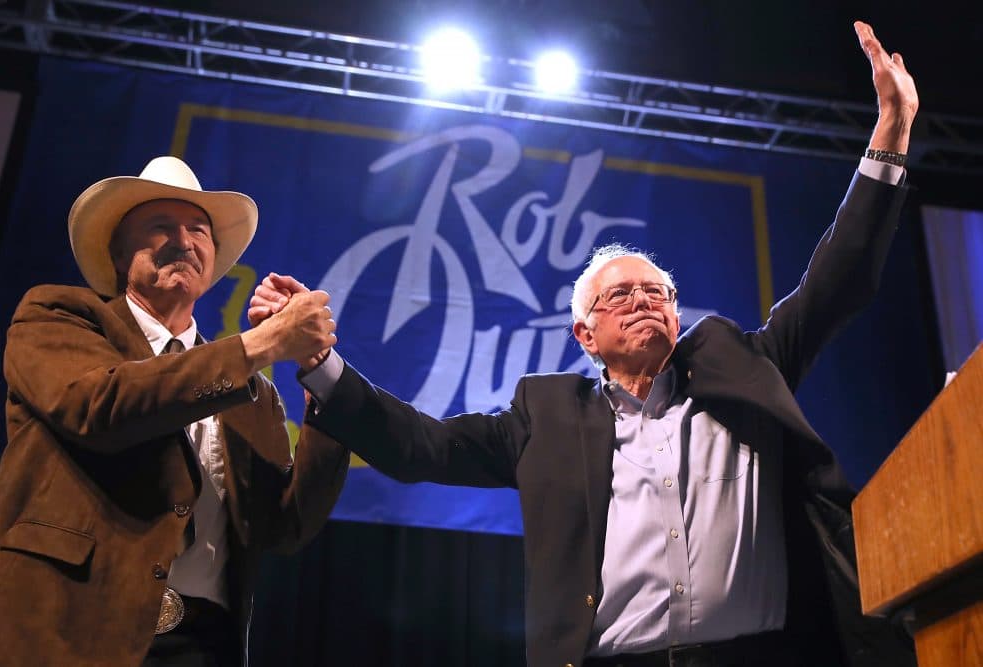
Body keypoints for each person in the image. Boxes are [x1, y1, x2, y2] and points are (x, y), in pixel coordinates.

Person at [251, 21, 917, 667]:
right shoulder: (544, 417)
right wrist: (318, 363)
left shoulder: (747, 367)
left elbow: (839, 280)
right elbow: (418, 444)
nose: (642, 301)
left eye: (656, 292)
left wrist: (888, 136)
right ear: (585, 334)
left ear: (678, 317)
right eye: (619, 295)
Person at [0, 156, 348, 667]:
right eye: (160, 227)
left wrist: (321, 382)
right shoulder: (59, 318)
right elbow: (100, 408)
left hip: (201, 647)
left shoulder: (251, 392)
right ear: (117, 253)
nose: (184, 240)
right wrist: (257, 346)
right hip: (66, 629)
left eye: (198, 230)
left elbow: (282, 526)